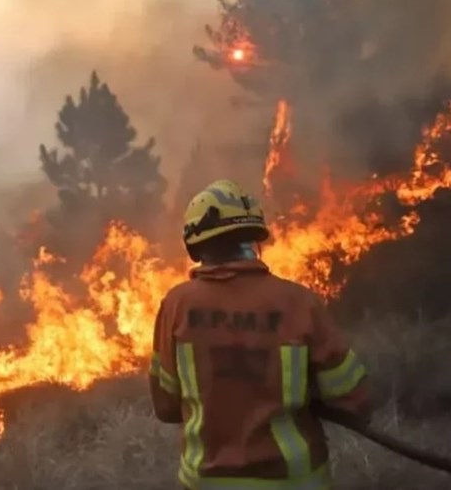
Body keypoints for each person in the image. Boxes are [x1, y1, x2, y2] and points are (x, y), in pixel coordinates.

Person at [149, 179, 372, 490]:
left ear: (196, 245)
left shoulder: (177, 305)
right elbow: (354, 399)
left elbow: (166, 406)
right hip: (293, 482)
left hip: (207, 482)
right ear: (254, 239)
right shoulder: (299, 302)